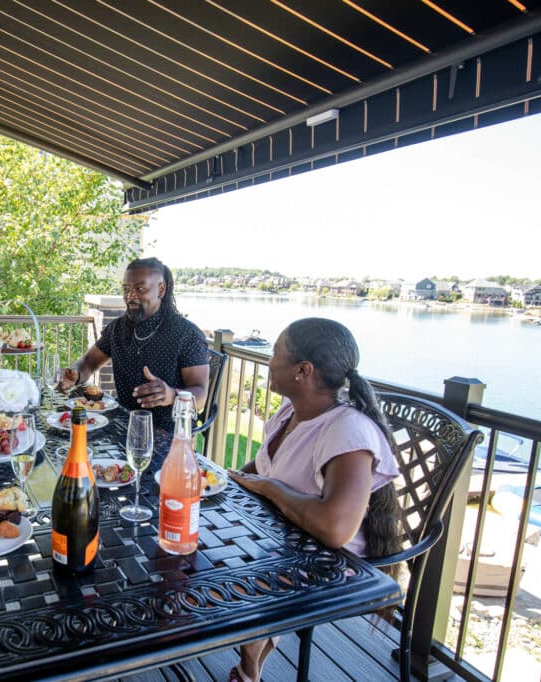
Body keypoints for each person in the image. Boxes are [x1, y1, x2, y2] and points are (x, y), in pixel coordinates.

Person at [226, 318, 402, 682]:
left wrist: (269, 488)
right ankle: (250, 661)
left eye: (276, 354)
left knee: (228, 575)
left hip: (331, 560)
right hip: (285, 533)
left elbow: (336, 529)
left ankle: (247, 662)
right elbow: (263, 467)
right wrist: (224, 480)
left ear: (303, 371)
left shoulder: (346, 431)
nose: (269, 362)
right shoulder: (292, 411)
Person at [57, 257, 209, 434]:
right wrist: (75, 374)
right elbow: (89, 362)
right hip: (122, 425)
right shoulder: (117, 329)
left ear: (161, 289)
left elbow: (201, 395)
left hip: (169, 435)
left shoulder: (187, 334)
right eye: (126, 289)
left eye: (140, 288)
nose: (130, 296)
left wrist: (171, 395)